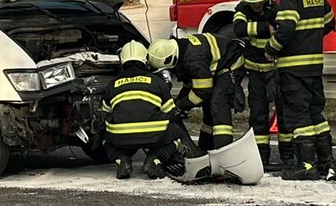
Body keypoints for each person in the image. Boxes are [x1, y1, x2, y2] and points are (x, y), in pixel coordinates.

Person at [267, 0, 336, 181]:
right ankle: (327, 163)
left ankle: (306, 165)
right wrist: (310, 38)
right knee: (315, 113)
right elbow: (330, 23)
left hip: (293, 69)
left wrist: (271, 48)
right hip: (314, 67)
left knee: (298, 116)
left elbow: (286, 29)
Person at [101, 41, 184, 180]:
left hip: (121, 137)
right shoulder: (157, 81)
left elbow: (105, 114)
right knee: (177, 134)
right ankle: (155, 159)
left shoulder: (112, 84)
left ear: (122, 60)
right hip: (155, 135)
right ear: (145, 60)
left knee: (104, 136)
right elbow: (170, 111)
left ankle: (121, 159)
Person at [151, 32, 243, 151]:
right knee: (208, 109)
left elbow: (202, 91)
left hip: (230, 65)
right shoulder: (182, 51)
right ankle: (205, 148)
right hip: (217, 67)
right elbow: (191, 85)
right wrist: (177, 103)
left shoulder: (194, 60)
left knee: (218, 104)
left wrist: (181, 106)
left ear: (170, 61)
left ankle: (223, 151)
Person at [233, 0, 281, 167]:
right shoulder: (242, 8)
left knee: (284, 114)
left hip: (275, 71)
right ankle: (262, 158)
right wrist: (264, 28)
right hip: (255, 72)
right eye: (253, 4)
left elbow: (282, 30)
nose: (256, 6)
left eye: (259, 3)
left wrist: (254, 28)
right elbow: (238, 29)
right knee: (257, 115)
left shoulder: (277, 9)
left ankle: (288, 156)